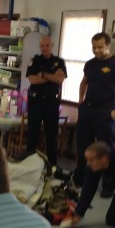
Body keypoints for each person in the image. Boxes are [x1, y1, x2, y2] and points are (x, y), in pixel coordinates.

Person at [73, 32, 115, 193]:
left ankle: (108, 183)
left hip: (106, 111)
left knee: (106, 149)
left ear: (108, 46)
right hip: (88, 109)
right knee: (82, 145)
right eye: (94, 47)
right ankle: (81, 178)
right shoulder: (90, 64)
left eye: (100, 47)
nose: (97, 50)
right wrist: (80, 101)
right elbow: (84, 82)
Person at [25, 35, 67, 169]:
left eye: (47, 45)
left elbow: (60, 80)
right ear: (40, 46)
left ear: (52, 45)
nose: (45, 48)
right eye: (42, 45)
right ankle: (29, 162)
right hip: (35, 101)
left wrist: (43, 74)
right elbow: (33, 80)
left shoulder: (59, 62)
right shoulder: (34, 61)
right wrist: (52, 76)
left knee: (51, 134)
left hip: (51, 102)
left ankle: (52, 164)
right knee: (33, 133)